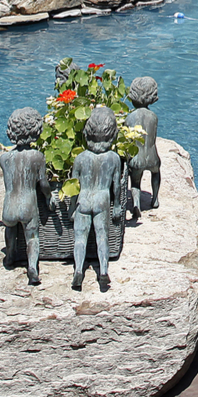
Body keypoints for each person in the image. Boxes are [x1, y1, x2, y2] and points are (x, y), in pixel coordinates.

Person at [71, 105, 121, 292]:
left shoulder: (80, 158)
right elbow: (116, 185)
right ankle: (103, 271)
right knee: (102, 236)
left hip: (83, 198)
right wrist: (117, 205)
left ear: (86, 133)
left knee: (80, 238)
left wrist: (71, 208)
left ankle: (78, 270)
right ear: (113, 134)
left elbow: (73, 186)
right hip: (102, 198)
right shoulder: (113, 158)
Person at [0, 108, 50, 284]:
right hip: (28, 204)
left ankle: (10, 256)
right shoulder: (37, 157)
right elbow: (43, 184)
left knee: (10, 229)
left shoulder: (4, 159)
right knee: (32, 237)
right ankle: (32, 267)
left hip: (9, 205)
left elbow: (8, 182)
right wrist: (48, 197)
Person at [125, 77, 161, 221]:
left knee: (135, 182)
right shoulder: (153, 117)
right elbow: (152, 138)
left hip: (137, 158)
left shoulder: (130, 117)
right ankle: (155, 199)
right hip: (152, 157)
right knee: (156, 173)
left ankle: (136, 204)